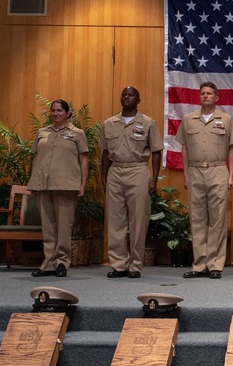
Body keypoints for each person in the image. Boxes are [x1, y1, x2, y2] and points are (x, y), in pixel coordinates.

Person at [176, 81, 233, 280]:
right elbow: (184, 149)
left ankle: (215, 264)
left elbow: (232, 149)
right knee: (197, 219)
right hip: (195, 171)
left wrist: (230, 175)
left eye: (209, 93)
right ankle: (199, 264)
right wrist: (186, 175)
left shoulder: (226, 119)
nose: (205, 96)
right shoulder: (188, 119)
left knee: (218, 219)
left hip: (218, 169)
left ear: (216, 97)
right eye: (202, 93)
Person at [100, 86, 163, 279]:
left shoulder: (148, 123)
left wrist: (153, 179)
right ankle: (119, 264)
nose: (126, 97)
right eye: (124, 94)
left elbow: (156, 152)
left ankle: (135, 265)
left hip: (137, 170)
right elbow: (104, 154)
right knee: (115, 220)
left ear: (138, 100)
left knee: (138, 220)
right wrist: (104, 179)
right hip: (115, 170)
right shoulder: (109, 123)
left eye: (131, 95)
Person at [27, 99, 89, 278]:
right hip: (43, 184)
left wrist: (83, 184)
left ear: (68, 113)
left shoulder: (77, 133)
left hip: (66, 185)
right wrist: (34, 181)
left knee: (64, 226)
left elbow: (83, 159)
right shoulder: (42, 132)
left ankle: (61, 262)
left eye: (59, 110)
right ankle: (48, 264)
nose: (55, 113)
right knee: (47, 226)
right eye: (53, 110)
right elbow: (35, 158)